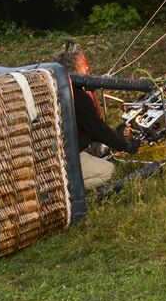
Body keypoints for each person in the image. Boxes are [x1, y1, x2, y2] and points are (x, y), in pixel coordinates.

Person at [52, 45, 139, 192]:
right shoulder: (76, 96)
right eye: (85, 68)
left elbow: (89, 130)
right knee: (109, 170)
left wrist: (116, 136)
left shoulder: (58, 91)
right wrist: (125, 146)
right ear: (75, 71)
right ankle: (64, 191)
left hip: (58, 154)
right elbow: (97, 129)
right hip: (66, 158)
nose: (88, 71)